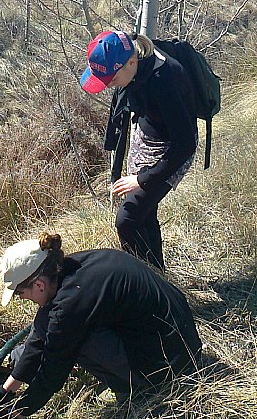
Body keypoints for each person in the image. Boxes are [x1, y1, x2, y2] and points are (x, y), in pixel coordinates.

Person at [0, 232, 202, 418]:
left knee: (76, 340)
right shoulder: (73, 266)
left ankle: (133, 387)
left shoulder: (71, 305)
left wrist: (18, 412)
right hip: (179, 338)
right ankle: (130, 375)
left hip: (170, 364)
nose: (22, 299)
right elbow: (42, 327)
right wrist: (10, 387)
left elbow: (54, 369)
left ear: (39, 285)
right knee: (59, 327)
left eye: (20, 294)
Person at [80, 30, 198, 271]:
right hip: (147, 137)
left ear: (131, 63)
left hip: (172, 148)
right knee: (145, 214)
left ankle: (145, 284)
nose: (108, 86)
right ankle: (158, 276)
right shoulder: (132, 64)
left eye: (111, 81)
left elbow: (185, 144)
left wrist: (142, 180)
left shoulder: (165, 80)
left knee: (128, 220)